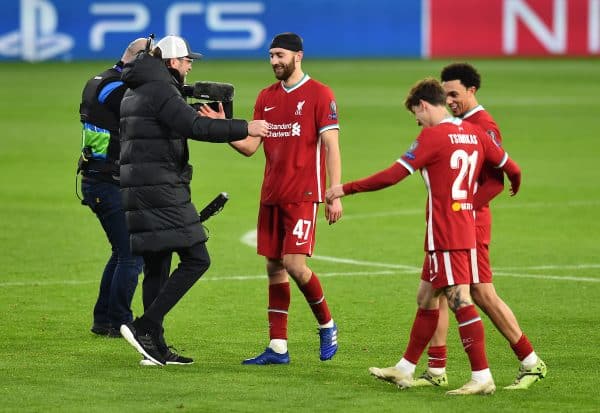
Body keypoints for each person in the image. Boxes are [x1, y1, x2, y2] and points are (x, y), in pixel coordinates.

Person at [326, 78, 522, 395]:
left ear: (424, 105)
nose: (416, 121)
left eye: (415, 114)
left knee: (460, 299)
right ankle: (404, 369)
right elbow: (510, 167)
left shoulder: (433, 137)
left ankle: (482, 375)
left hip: (447, 233)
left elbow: (393, 175)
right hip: (457, 228)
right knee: (427, 296)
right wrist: (496, 192)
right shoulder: (474, 132)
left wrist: (345, 188)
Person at [118, 35, 269, 366]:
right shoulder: (159, 88)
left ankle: (152, 346)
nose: (189, 66)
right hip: (159, 189)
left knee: (158, 264)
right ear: (172, 62)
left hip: (141, 188)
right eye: (187, 60)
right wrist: (246, 126)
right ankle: (145, 327)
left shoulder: (138, 87)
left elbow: (171, 121)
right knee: (197, 258)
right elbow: (192, 126)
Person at [208, 32, 342, 365]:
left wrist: (334, 192)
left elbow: (331, 147)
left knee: (295, 265)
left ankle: (327, 324)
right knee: (273, 267)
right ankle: (278, 347)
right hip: (271, 194)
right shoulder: (266, 97)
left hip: (303, 194)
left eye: (279, 55)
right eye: (270, 56)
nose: (274, 62)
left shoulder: (320, 94)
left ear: (299, 56)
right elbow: (250, 148)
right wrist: (224, 128)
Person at [412, 63, 546, 390]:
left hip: (469, 224)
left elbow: (495, 182)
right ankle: (435, 369)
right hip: (450, 224)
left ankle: (530, 361)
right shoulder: (457, 125)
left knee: (480, 292)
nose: (450, 100)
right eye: (445, 95)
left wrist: (464, 208)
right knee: (436, 290)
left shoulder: (483, 125)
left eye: (455, 94)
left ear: (472, 91)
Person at [78, 38, 147, 338]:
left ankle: (104, 319)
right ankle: (120, 321)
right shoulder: (116, 89)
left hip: (99, 178)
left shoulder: (101, 80)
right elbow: (143, 108)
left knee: (121, 252)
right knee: (132, 254)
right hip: (107, 181)